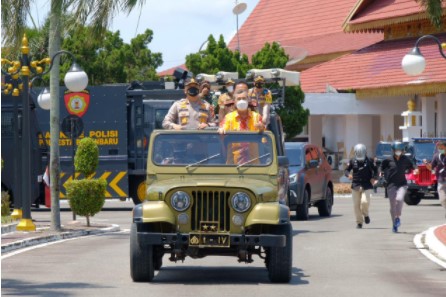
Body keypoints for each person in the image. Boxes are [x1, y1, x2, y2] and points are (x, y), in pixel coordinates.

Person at [218, 91, 265, 164]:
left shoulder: (257, 117)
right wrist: (221, 130)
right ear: (234, 102)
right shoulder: (228, 118)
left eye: (244, 98)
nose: (241, 101)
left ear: (248, 100)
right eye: (239, 99)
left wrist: (262, 129)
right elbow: (222, 128)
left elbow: (265, 140)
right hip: (233, 166)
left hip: (254, 167)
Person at [380, 141, 415, 232]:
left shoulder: (405, 159)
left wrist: (415, 170)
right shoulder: (388, 160)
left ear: (403, 150)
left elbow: (412, 166)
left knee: (399, 199)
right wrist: (381, 174)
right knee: (392, 205)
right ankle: (394, 224)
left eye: (400, 150)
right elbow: (381, 167)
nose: (398, 151)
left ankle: (398, 216)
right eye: (396, 150)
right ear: (393, 150)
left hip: (402, 184)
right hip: (391, 185)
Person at [344, 144, 378, 229]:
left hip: (367, 184)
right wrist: (348, 175)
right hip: (355, 185)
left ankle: (366, 215)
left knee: (364, 202)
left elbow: (376, 170)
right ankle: (359, 222)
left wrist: (374, 178)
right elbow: (346, 170)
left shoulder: (370, 160)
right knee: (356, 205)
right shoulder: (352, 161)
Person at [425, 140, 446, 217]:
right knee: (443, 199)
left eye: (441, 148)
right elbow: (431, 168)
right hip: (441, 181)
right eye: (439, 148)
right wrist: (426, 164)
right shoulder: (437, 156)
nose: (440, 149)